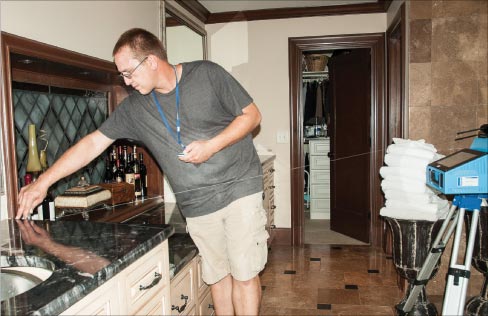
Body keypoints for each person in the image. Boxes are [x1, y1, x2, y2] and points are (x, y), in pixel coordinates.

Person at [16, 28, 268, 315]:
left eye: (128, 72)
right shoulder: (135, 108)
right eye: (121, 75)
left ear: (150, 61)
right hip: (196, 204)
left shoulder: (208, 75)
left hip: (239, 188)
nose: (125, 81)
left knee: (245, 274)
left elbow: (252, 116)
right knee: (218, 277)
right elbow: (92, 143)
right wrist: (43, 182)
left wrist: (211, 146)